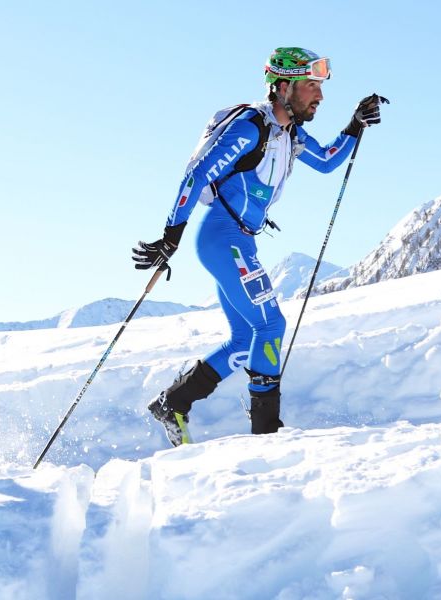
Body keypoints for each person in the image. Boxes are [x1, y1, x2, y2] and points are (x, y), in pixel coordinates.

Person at [133, 47, 384, 446]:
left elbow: (327, 161)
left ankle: (174, 402)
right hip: (222, 238)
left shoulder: (289, 133)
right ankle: (266, 436)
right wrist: (170, 238)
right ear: (283, 87)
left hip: (238, 242)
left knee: (245, 338)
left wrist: (355, 124)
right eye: (310, 86)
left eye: (320, 86)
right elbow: (196, 176)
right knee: (270, 325)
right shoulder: (253, 128)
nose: (318, 95)